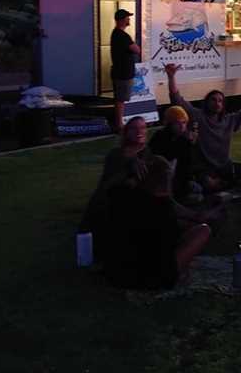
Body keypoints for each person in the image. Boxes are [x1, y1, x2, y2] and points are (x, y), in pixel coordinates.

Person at [104, 155, 211, 290]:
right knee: (203, 231)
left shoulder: (121, 197)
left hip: (117, 274)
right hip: (151, 279)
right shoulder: (161, 208)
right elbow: (170, 239)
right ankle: (180, 273)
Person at [165, 63, 241, 191]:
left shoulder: (229, 121)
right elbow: (177, 100)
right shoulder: (197, 116)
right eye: (213, 100)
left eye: (220, 101)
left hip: (225, 168)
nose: (217, 103)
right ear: (206, 102)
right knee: (208, 190)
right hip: (204, 171)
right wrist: (171, 77)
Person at [79, 117, 152, 261]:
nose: (139, 131)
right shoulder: (116, 154)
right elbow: (108, 186)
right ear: (126, 133)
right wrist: (129, 165)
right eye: (134, 128)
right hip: (112, 207)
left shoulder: (147, 152)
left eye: (143, 128)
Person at [148, 105, 197, 202]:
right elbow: (164, 159)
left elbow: (186, 165)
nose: (182, 126)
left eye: (184, 123)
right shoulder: (159, 137)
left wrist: (191, 145)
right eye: (177, 123)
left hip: (178, 180)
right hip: (161, 179)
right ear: (169, 124)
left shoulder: (184, 139)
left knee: (197, 190)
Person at [110, 9, 141, 132]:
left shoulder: (117, 34)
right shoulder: (122, 35)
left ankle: (119, 123)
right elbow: (136, 49)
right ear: (122, 20)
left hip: (121, 71)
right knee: (120, 100)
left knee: (120, 99)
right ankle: (119, 124)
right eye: (127, 18)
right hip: (122, 73)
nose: (129, 20)